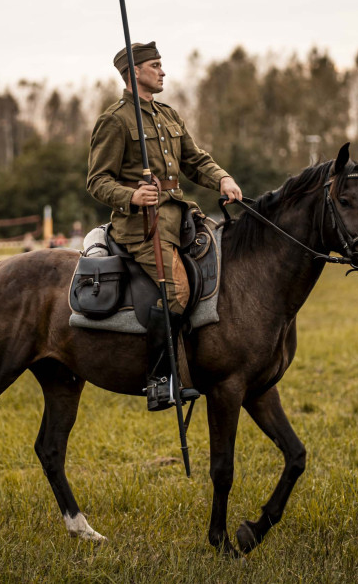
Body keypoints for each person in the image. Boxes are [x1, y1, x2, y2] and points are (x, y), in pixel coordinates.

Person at [86, 41, 242, 411]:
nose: (163, 71)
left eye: (161, 64)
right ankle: (160, 379)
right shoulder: (116, 120)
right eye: (155, 65)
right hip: (140, 228)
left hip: (179, 216)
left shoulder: (168, 115)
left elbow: (194, 159)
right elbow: (97, 180)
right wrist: (132, 196)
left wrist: (221, 178)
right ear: (134, 73)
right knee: (177, 292)